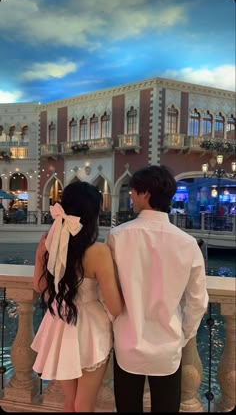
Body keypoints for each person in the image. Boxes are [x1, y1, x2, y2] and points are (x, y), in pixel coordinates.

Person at [106, 165, 209, 413]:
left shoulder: (117, 236)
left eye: (134, 190)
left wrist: (117, 322)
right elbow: (197, 300)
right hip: (168, 346)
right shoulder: (187, 243)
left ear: (146, 194)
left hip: (127, 342)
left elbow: (106, 292)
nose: (130, 194)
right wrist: (183, 335)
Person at [31, 181, 123, 412]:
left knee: (71, 401)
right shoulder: (98, 252)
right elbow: (115, 306)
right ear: (92, 214)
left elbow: (39, 285)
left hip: (59, 323)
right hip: (90, 328)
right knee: (84, 404)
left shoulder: (47, 243)